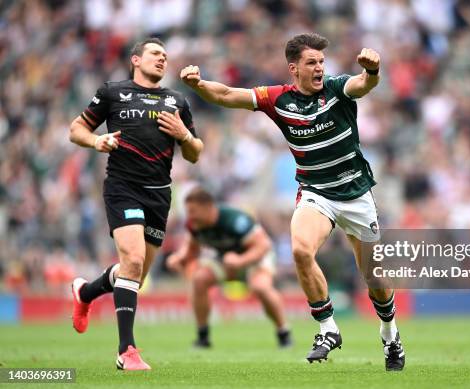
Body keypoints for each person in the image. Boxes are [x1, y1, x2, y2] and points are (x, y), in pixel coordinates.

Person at [179, 33, 404, 371]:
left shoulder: (337, 88)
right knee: (300, 250)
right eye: (311, 63)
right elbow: (227, 94)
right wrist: (197, 85)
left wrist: (372, 72)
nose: (319, 69)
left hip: (356, 194)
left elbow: (362, 85)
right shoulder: (277, 99)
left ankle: (390, 336)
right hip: (316, 192)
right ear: (293, 68)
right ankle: (328, 328)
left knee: (373, 277)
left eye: (321, 63)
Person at [68, 37, 204, 370]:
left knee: (135, 275)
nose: (162, 59)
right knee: (133, 259)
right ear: (135, 60)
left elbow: (195, 153)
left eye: (165, 56)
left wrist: (185, 136)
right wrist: (97, 139)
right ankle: (126, 350)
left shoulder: (177, 101)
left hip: (159, 193)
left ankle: (85, 293)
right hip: (123, 187)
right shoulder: (113, 92)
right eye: (155, 54)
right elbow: (76, 130)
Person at [166, 187, 292, 348]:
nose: (190, 216)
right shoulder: (194, 225)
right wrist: (179, 258)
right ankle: (203, 336)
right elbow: (192, 249)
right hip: (225, 259)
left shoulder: (234, 219)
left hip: (254, 258)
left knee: (261, 287)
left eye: (193, 211)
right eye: (188, 211)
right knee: (200, 280)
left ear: (209, 207)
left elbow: (263, 246)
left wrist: (240, 260)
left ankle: (283, 332)